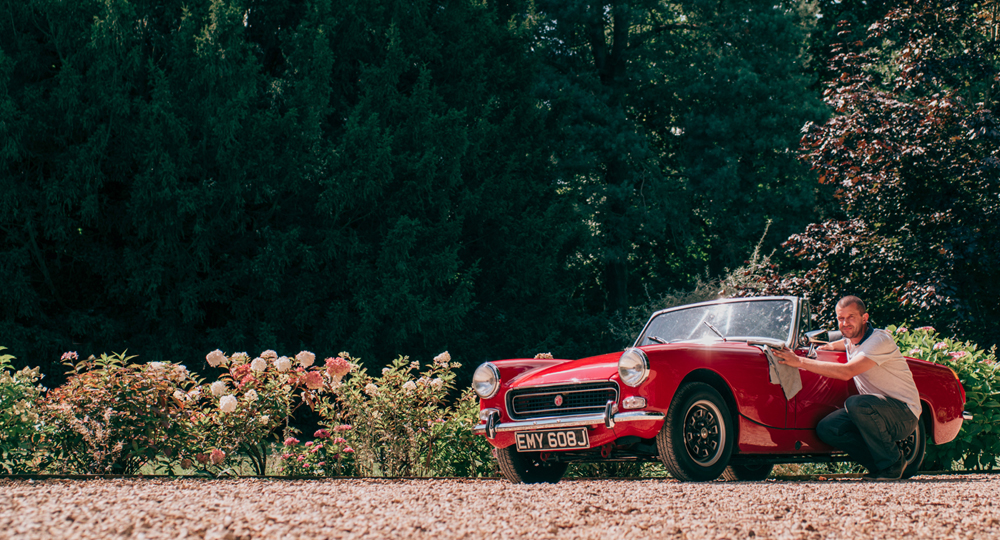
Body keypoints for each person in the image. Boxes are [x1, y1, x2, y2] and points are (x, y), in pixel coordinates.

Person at [771, 295, 921, 481]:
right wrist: (819, 349)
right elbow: (840, 344)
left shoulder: (879, 340)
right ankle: (881, 467)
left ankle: (892, 463)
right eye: (841, 318)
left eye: (851, 317)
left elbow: (847, 372)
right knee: (829, 428)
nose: (845, 323)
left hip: (903, 413)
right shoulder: (852, 339)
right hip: (877, 411)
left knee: (856, 404)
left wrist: (799, 361)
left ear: (864, 318)